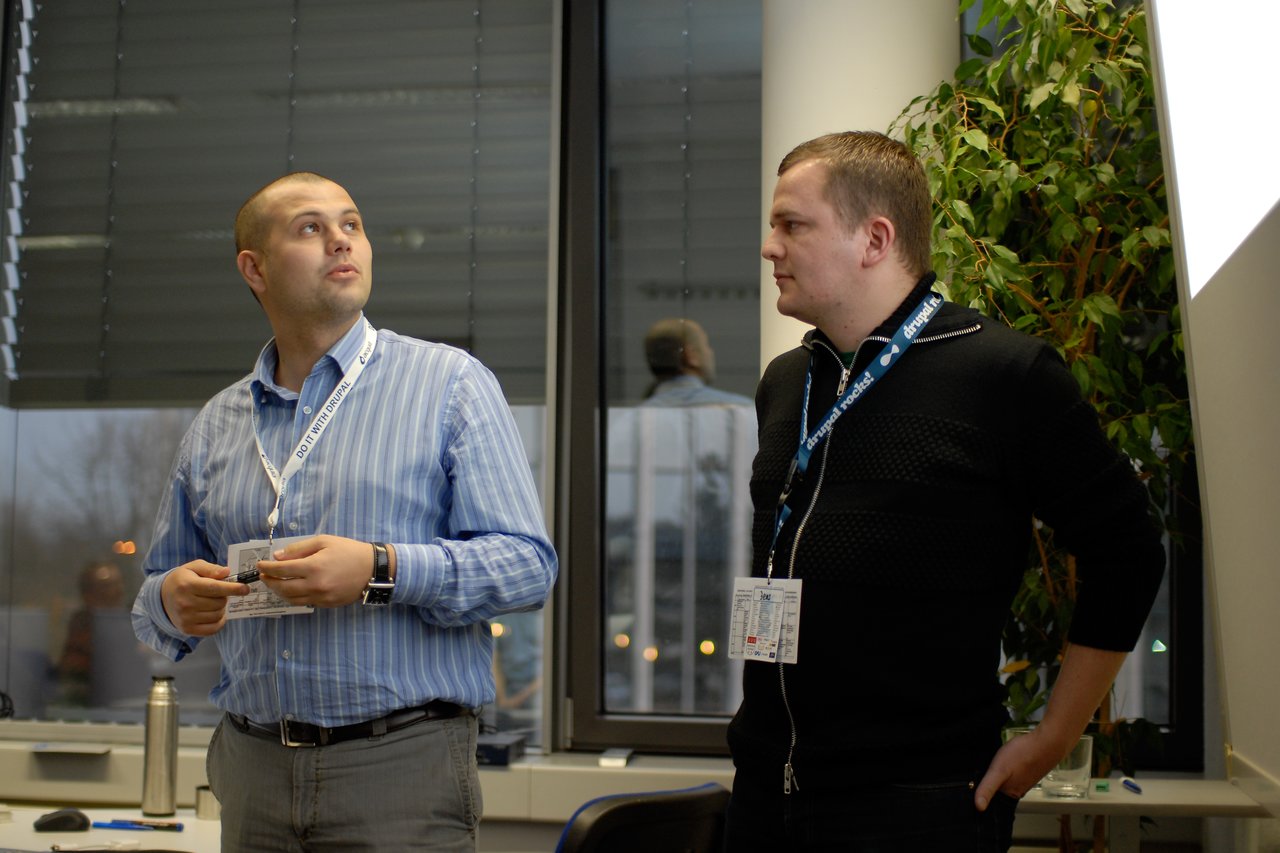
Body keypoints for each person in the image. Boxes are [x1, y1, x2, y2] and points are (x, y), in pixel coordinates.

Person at [723, 132, 1165, 851]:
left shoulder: (1004, 374)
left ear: (875, 239)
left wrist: (1054, 735)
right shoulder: (786, 381)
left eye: (791, 225)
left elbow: (1129, 551)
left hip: (918, 804)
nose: (771, 247)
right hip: (765, 792)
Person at [130, 171, 557, 852]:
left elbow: (528, 568)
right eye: (310, 227)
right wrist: (172, 601)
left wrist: (379, 569)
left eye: (351, 224)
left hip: (400, 766)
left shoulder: (449, 385)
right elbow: (154, 603)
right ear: (255, 268)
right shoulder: (217, 424)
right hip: (251, 768)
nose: (340, 240)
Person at [641, 317, 752, 407]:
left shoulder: (631, 420)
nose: (710, 352)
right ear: (691, 355)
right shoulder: (741, 410)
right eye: (706, 345)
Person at [57, 560, 125, 705]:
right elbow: (73, 670)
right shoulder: (82, 625)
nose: (117, 590)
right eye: (107, 586)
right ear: (88, 593)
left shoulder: (128, 623)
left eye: (118, 584)